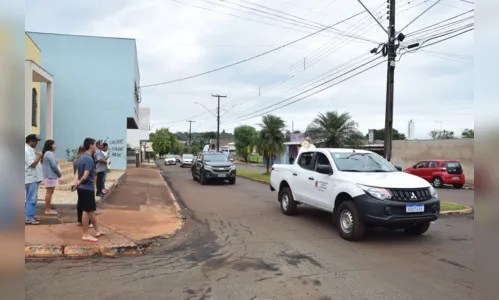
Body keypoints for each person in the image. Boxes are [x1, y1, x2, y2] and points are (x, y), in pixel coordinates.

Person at [73, 138, 105, 242]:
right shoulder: (88, 159)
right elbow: (86, 175)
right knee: (86, 211)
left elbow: (77, 173)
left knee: (90, 211)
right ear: (91, 146)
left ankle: (97, 231)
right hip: (87, 188)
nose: (96, 147)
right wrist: (79, 182)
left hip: (83, 188)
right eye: (95, 145)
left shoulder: (81, 157)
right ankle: (85, 235)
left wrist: (77, 183)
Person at [25, 134, 43, 225]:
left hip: (34, 179)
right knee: (31, 198)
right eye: (36, 141)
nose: (37, 143)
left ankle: (31, 215)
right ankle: (28, 218)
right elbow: (32, 164)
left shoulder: (30, 150)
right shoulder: (26, 150)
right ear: (31, 141)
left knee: (34, 198)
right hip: (30, 179)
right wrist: (39, 156)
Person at [41, 140, 62, 215]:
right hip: (50, 176)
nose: (55, 145)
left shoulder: (48, 153)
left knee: (50, 192)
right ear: (50, 145)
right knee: (49, 192)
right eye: (54, 144)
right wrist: (59, 173)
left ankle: (48, 208)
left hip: (50, 176)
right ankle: (47, 209)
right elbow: (53, 165)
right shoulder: (49, 154)